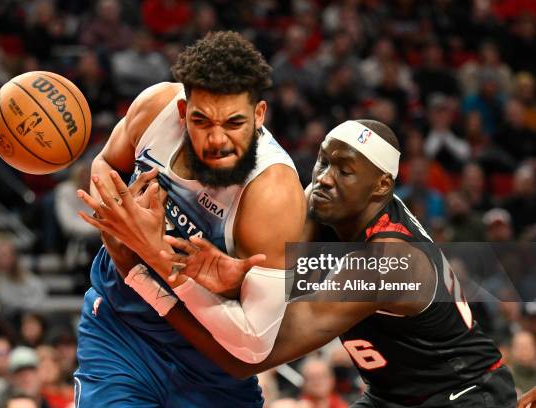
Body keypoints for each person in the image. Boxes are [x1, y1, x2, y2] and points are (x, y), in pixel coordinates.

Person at [95, 119, 517, 407]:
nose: (325, 178)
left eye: (345, 170)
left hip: (463, 395)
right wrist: (224, 275)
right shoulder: (324, 209)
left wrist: (144, 273)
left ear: (382, 187)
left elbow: (246, 357)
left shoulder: (387, 264)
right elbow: (258, 300)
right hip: (394, 394)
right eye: (323, 161)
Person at [74, 31, 305, 407]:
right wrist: (120, 209)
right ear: (183, 111)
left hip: (211, 365)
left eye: (234, 123)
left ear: (259, 115)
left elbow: (252, 347)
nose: (217, 140)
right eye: (202, 121)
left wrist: (153, 256)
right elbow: (106, 162)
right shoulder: (156, 108)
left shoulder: (272, 192)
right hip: (121, 331)